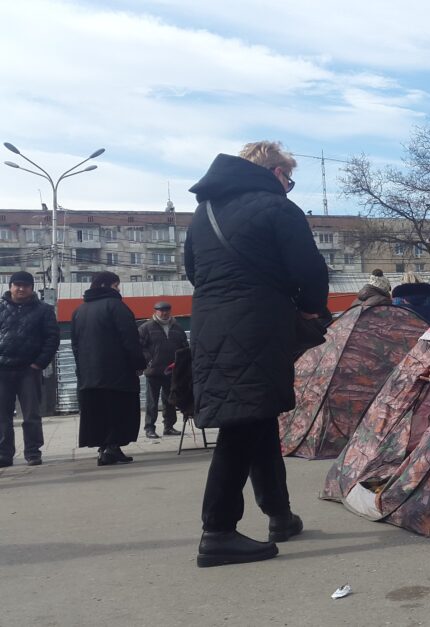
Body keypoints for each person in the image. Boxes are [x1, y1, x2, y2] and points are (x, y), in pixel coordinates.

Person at [186, 140, 329, 567]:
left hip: (211, 325)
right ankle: (217, 533)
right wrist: (308, 307)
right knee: (241, 427)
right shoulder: (277, 208)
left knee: (257, 417)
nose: (289, 184)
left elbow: (193, 271)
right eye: (288, 176)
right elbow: (310, 269)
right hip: (257, 325)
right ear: (272, 172)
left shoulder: (203, 213)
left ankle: (280, 515)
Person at [72, 271, 147, 466]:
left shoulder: (80, 310)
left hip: (89, 375)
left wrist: (81, 371)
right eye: (116, 285)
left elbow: (75, 344)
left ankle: (105, 449)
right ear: (107, 286)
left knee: (99, 414)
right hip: (117, 373)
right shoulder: (117, 307)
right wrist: (138, 364)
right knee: (120, 412)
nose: (119, 289)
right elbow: (130, 339)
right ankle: (112, 447)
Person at [0, 271, 59, 467]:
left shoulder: (43, 310)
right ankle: (4, 454)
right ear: (10, 286)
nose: (20, 288)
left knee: (32, 414)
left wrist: (39, 363)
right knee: (2, 416)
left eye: (25, 285)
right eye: (17, 284)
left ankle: (33, 452)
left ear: (32, 288)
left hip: (28, 370)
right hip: (2, 370)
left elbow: (52, 339)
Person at [138, 301, 189, 439]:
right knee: (152, 402)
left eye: (167, 310)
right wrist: (148, 360)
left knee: (170, 400)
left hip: (171, 370)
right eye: (161, 310)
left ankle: (169, 426)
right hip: (153, 371)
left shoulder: (177, 327)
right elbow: (139, 347)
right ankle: (149, 428)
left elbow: (184, 347)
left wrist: (181, 365)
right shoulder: (146, 328)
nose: (164, 313)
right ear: (155, 311)